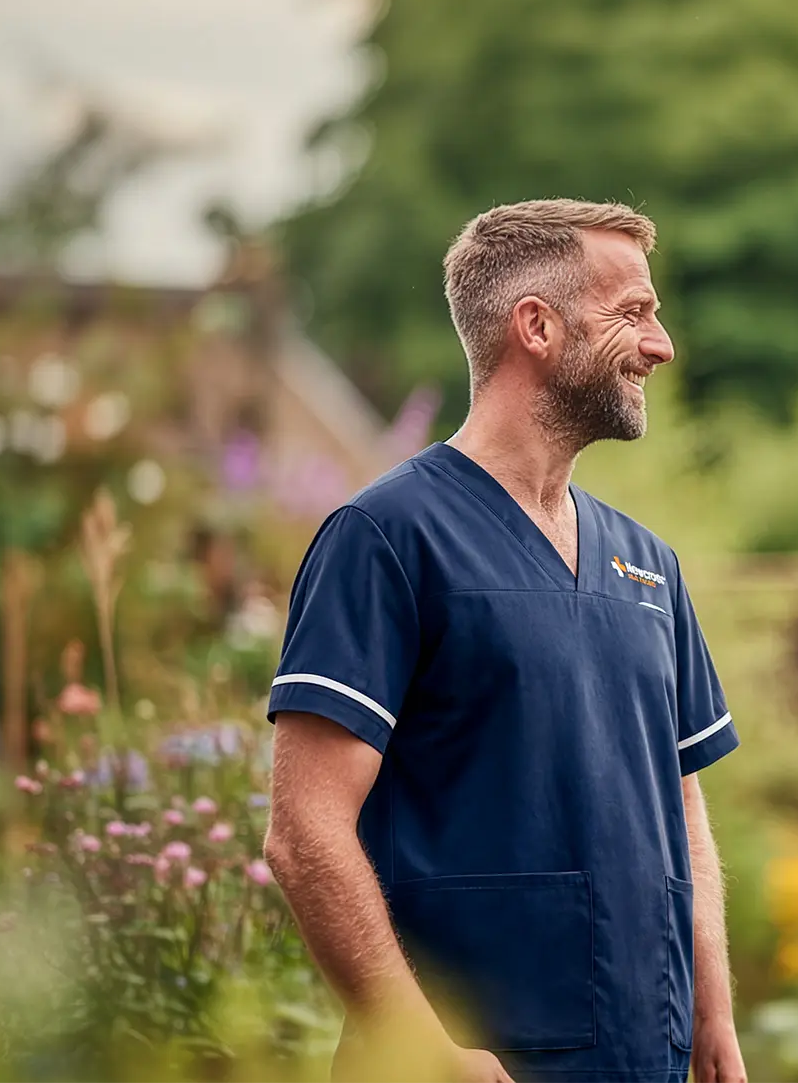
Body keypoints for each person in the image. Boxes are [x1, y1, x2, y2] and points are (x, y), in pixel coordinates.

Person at [263, 200, 746, 1083]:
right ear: (537, 326)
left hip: (648, 1053)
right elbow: (305, 831)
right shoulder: (386, 538)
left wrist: (711, 1017)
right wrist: (420, 1045)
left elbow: (681, 805)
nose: (661, 344)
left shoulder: (648, 564)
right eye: (633, 312)